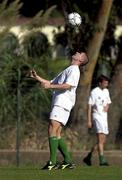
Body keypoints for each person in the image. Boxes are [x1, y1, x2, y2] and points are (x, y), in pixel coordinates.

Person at [30, 51, 89, 170]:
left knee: (52, 128)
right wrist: (37, 77)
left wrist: (50, 87)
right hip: (61, 103)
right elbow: (51, 82)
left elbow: (68, 85)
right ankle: (68, 161)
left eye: (80, 53)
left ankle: (52, 162)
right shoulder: (69, 69)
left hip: (62, 103)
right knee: (56, 132)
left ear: (80, 60)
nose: (77, 52)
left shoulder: (74, 70)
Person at [83, 75, 111, 166]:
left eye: (107, 83)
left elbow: (108, 102)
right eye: (105, 83)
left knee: (102, 141)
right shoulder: (94, 92)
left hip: (104, 117)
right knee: (100, 138)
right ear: (100, 83)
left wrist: (107, 106)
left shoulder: (106, 91)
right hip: (97, 117)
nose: (106, 84)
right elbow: (90, 106)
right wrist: (89, 120)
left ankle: (89, 157)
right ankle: (102, 160)